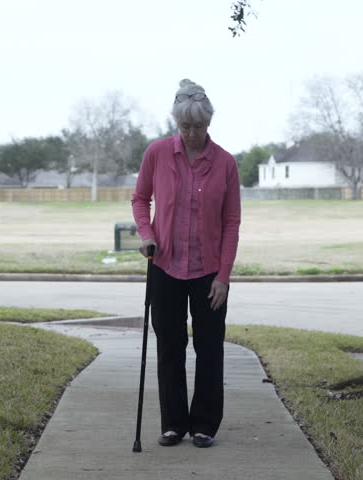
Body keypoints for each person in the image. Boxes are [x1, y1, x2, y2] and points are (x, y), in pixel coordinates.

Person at [131, 79, 241, 449]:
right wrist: (146, 234)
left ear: (209, 123)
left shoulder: (225, 163)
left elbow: (231, 223)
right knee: (170, 346)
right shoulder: (158, 154)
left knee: (209, 347)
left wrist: (223, 277)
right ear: (177, 124)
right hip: (166, 267)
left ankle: (205, 424)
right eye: (185, 126)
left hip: (209, 271)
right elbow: (140, 198)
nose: (192, 134)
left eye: (199, 126)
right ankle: (174, 423)